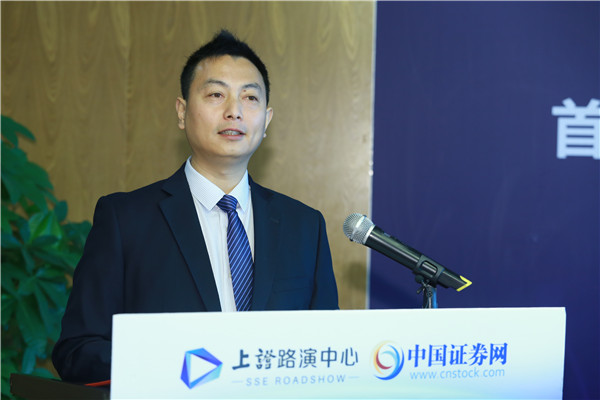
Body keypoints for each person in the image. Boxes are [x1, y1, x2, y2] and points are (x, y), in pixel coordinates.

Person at [52, 29, 339, 383]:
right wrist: (175, 363)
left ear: (266, 120)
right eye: (216, 94)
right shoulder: (125, 220)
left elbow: (328, 351)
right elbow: (77, 351)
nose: (234, 111)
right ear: (182, 111)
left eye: (250, 97)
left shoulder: (304, 227)